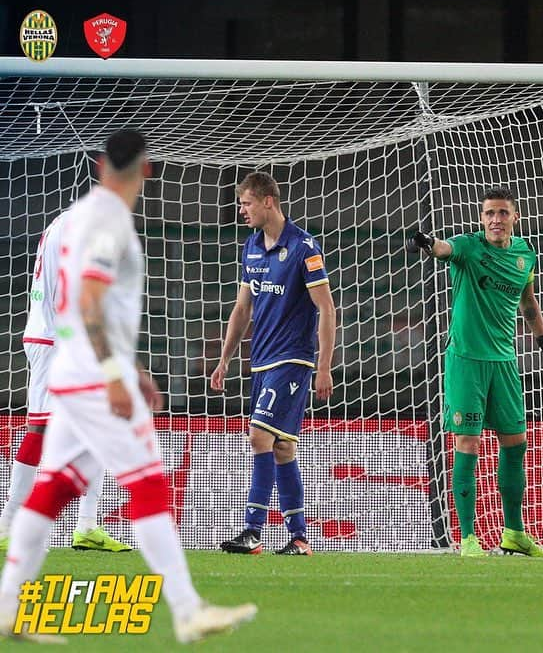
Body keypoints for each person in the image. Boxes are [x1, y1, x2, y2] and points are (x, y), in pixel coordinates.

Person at [0, 130, 256, 644]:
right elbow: (91, 299)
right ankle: (186, 610)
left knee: (54, 489)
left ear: (99, 166)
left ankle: (7, 606)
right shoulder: (111, 221)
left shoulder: (71, 218)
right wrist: (116, 374)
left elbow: (83, 304)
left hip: (72, 367)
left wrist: (130, 365)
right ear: (147, 169)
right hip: (93, 379)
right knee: (147, 482)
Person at [406, 187, 543, 557]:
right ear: (481, 217)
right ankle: (469, 539)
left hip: (505, 362)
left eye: (503, 213)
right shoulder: (469, 247)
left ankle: (514, 533)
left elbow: (528, 303)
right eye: (489, 213)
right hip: (466, 361)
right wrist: (427, 243)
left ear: (514, 218)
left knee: (515, 442)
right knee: (468, 443)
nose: (495, 219)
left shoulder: (525, 255)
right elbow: (444, 248)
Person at [211, 172, 336, 556]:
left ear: (268, 202)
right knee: (282, 448)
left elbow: (326, 308)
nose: (241, 210)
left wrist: (324, 366)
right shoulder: (251, 246)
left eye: (246, 203)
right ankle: (299, 537)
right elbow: (242, 308)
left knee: (258, 437)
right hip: (261, 360)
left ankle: (252, 531)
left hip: (293, 359)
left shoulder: (302, 247)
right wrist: (225, 358)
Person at [0, 212, 131, 554]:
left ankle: (85, 526)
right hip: (58, 339)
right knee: (40, 430)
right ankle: (7, 526)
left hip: (52, 336)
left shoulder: (67, 221)